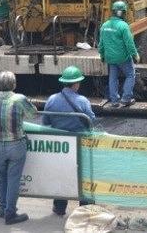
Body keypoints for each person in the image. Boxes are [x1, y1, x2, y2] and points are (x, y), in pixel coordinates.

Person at [43, 66, 95, 216]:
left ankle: (59, 207)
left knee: (62, 174)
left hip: (61, 146)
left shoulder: (52, 100)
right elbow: (91, 120)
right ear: (76, 83)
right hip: (81, 146)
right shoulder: (83, 101)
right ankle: (85, 208)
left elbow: (46, 122)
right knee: (84, 175)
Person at [0, 71, 38, 225]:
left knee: (0, 178)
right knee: (13, 180)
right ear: (14, 84)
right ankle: (10, 213)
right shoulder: (19, 99)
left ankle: (2, 209)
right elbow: (33, 114)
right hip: (16, 145)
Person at [99, 1, 138, 108]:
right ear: (122, 13)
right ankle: (126, 98)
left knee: (113, 78)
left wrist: (102, 55)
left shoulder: (104, 25)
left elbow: (101, 44)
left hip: (110, 58)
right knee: (130, 75)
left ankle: (114, 101)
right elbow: (129, 43)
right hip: (122, 58)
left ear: (113, 12)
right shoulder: (123, 26)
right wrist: (135, 55)